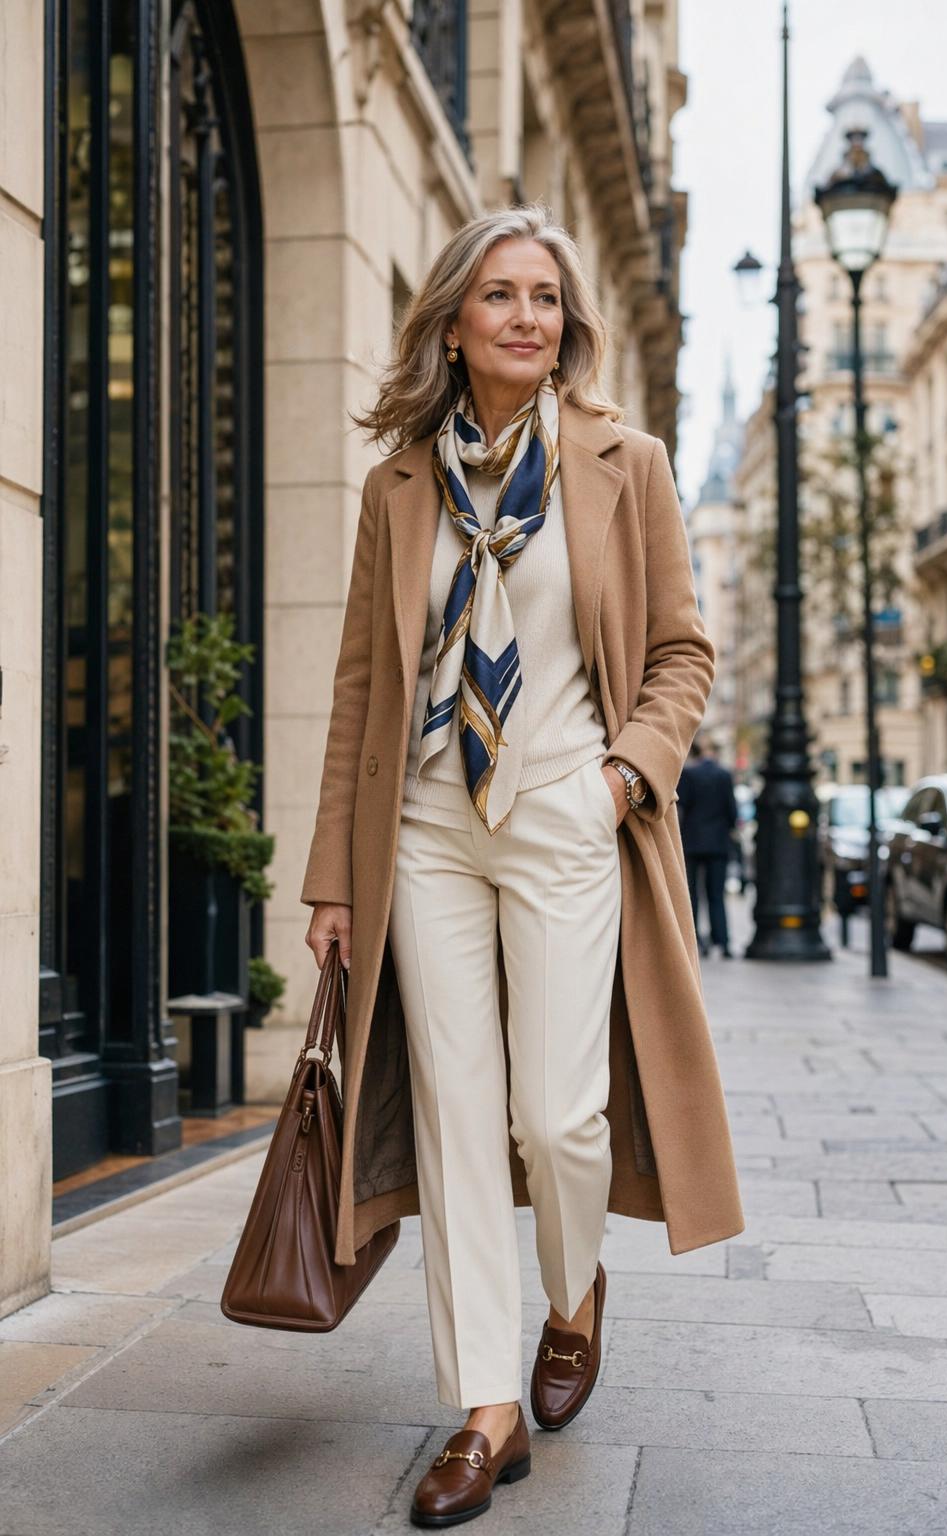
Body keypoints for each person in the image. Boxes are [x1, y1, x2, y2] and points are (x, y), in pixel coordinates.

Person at [301, 204, 743, 1528]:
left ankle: (573, 1292)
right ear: (454, 320)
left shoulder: (627, 463)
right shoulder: (399, 487)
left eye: (546, 297)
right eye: (501, 295)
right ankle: (482, 1407)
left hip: (562, 811)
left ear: (569, 324)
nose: (528, 317)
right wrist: (332, 875)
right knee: (452, 1118)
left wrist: (621, 777)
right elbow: (360, 689)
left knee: (559, 1119)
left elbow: (682, 653)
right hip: (428, 826)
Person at [677, 739, 738, 958]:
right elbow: (732, 812)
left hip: (692, 842)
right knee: (716, 895)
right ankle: (722, 942)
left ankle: (695, 942)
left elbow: (681, 807)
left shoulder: (689, 774)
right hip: (718, 844)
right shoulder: (724, 775)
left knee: (692, 895)